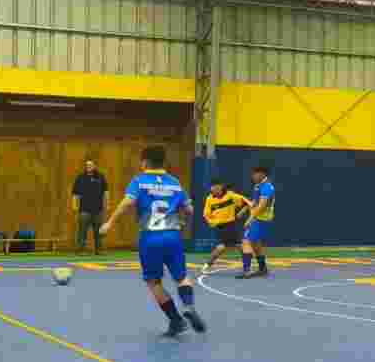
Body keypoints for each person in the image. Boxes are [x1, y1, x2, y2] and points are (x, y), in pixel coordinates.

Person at [99, 145, 205, 338]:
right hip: (173, 236)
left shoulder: (139, 181)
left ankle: (176, 320)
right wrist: (182, 221)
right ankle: (188, 305)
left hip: (151, 237)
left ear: (145, 162)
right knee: (181, 277)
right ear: (164, 162)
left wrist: (110, 223)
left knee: (153, 281)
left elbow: (128, 202)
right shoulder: (175, 182)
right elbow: (189, 209)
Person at [201, 179, 250, 272]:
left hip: (231, 225)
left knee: (239, 246)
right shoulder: (209, 199)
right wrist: (211, 222)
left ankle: (247, 267)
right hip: (219, 226)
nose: (214, 190)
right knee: (224, 247)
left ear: (221, 187)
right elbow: (206, 214)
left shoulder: (231, 195)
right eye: (212, 188)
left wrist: (242, 212)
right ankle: (207, 265)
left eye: (216, 188)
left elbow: (246, 202)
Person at [237, 165, 275, 279]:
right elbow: (255, 201)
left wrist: (250, 218)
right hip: (258, 218)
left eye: (254, 174)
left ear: (262, 174)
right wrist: (244, 209)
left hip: (261, 219)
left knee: (246, 241)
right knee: (255, 244)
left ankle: (247, 271)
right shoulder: (258, 186)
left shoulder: (267, 187)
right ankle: (263, 268)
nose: (252, 176)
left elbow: (262, 206)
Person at [72, 158, 108, 255]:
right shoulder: (80, 178)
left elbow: (106, 192)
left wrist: (107, 204)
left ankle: (99, 250)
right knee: (82, 231)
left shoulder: (100, 177)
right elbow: (75, 193)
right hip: (84, 210)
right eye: (87, 165)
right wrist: (74, 206)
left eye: (90, 165)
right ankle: (81, 250)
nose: (88, 166)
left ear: (94, 166)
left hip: (98, 209)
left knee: (99, 232)